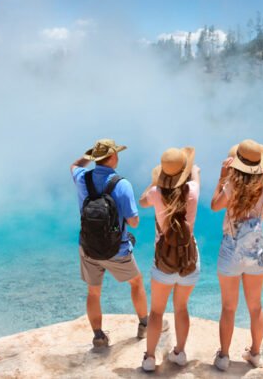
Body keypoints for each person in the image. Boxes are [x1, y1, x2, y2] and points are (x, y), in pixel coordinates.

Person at [70, 138, 152, 348]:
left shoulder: (82, 178)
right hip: (117, 249)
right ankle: (145, 325)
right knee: (136, 282)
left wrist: (88, 156)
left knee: (93, 291)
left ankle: (98, 337)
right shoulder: (122, 184)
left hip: (88, 246)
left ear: (96, 158)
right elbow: (133, 221)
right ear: (113, 157)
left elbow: (74, 165)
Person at [210, 139, 263, 371]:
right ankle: (255, 353)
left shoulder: (231, 186)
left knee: (229, 307)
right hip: (256, 251)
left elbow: (215, 206)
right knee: (255, 306)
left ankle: (224, 357)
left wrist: (222, 177)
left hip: (231, 250)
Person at [138, 147, 201, 372]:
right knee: (181, 308)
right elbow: (196, 174)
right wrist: (191, 169)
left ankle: (149, 358)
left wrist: (154, 181)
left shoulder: (155, 193)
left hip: (163, 262)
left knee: (156, 312)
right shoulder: (193, 190)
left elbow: (142, 201)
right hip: (188, 261)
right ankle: (179, 353)